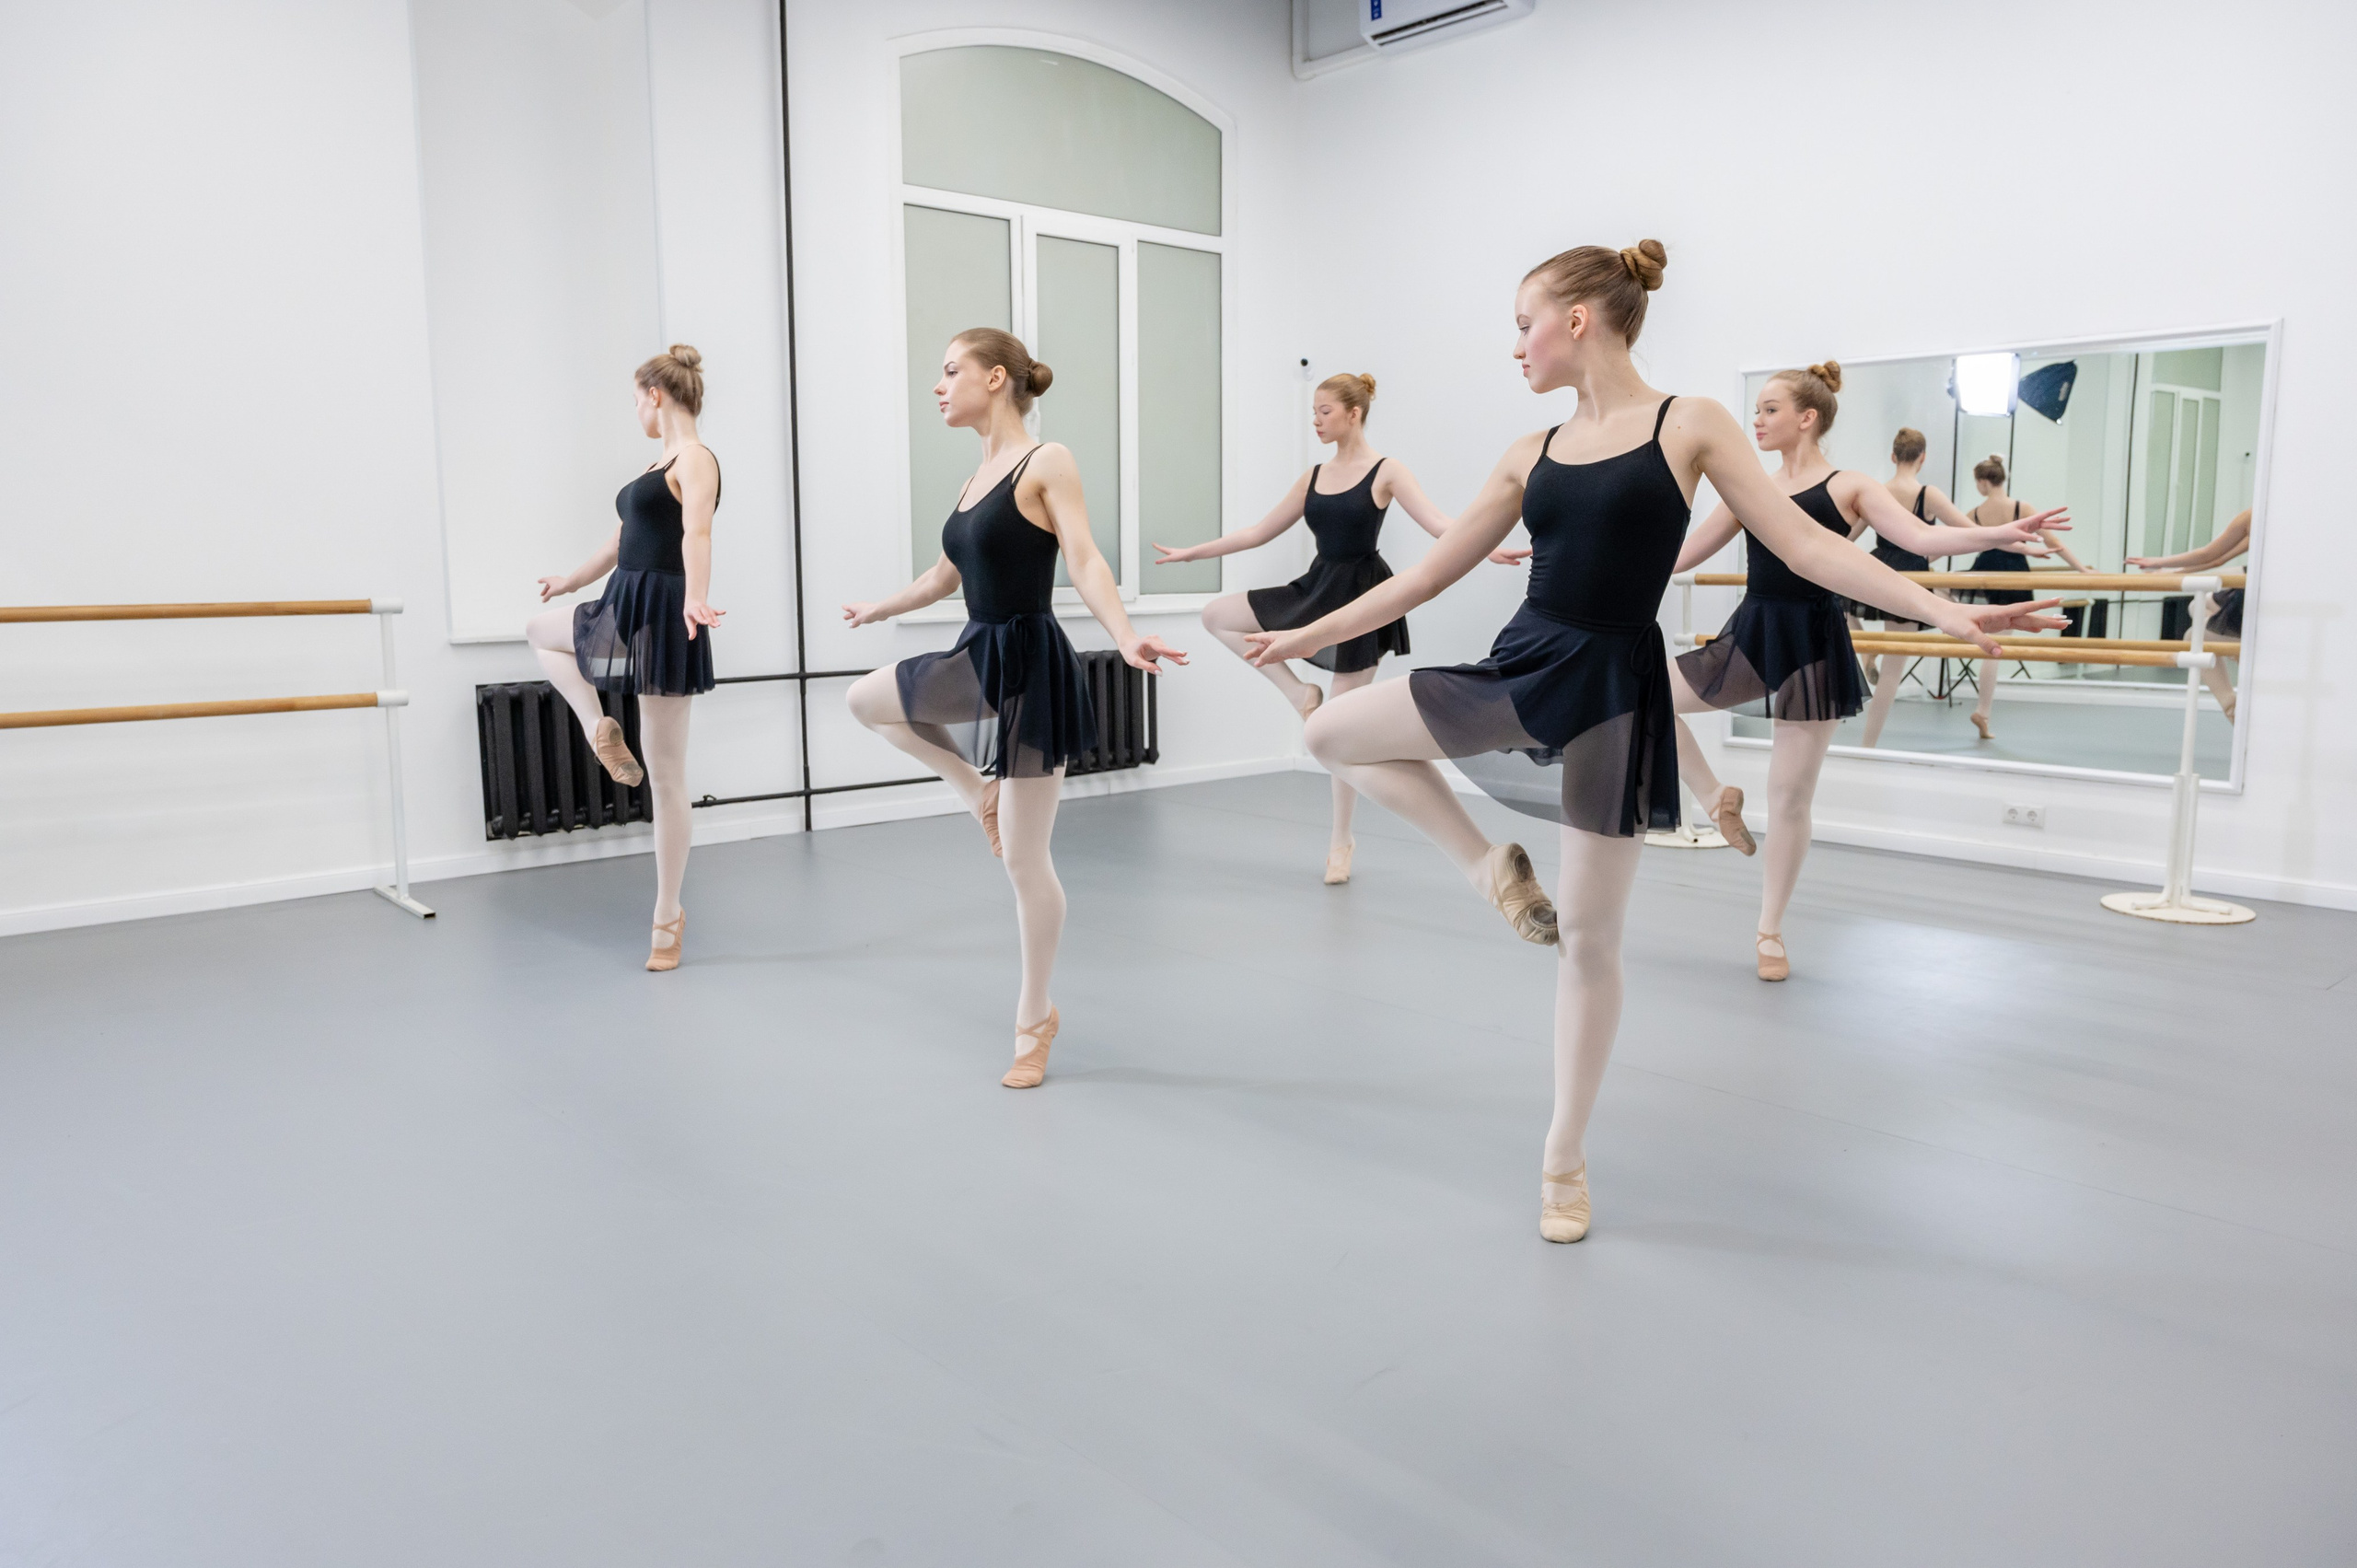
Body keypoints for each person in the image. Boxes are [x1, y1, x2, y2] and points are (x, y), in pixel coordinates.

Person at [1246, 242, 2060, 1244]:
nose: (1515, 346)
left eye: (1522, 322)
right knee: (1332, 729)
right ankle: (1484, 865)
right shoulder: (1528, 451)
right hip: (1526, 662)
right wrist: (1304, 635)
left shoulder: (1692, 424)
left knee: (1589, 941)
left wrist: (1950, 615)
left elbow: (1807, 547)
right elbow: (1420, 581)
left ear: (1578, 318)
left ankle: (1563, 1153)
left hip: (1617, 690)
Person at [843, 330, 1186, 1088]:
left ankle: (1035, 1017)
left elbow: (1086, 556)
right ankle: (980, 793)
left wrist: (1124, 635)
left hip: (1030, 662)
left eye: (950, 371)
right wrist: (879, 606)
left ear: (996, 378)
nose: (938, 386)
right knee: (868, 699)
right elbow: (941, 575)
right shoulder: (975, 476)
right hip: (978, 651)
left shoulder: (1046, 460)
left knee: (1028, 862)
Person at [1666, 366, 2065, 981]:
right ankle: (1714, 795)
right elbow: (1684, 555)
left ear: (1808, 417)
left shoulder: (1848, 484)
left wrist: (2002, 532)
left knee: (1789, 797)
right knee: (1642, 691)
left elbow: (1918, 540)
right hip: (1755, 632)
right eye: (1757, 410)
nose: (1757, 420)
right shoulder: (1750, 486)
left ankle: (1769, 929)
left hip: (1814, 641)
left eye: (1770, 409)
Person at [1155, 372, 1519, 883]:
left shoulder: (1387, 471)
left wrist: (1487, 547)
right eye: (1313, 411)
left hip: (1363, 598)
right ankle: (1300, 690)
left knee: (1342, 731)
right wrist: (1193, 552)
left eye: (1324, 411)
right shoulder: (1311, 477)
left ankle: (1340, 841)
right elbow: (1259, 532)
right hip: (1315, 586)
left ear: (1354, 413)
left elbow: (1439, 524)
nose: (1316, 420)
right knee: (1217, 616)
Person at [526, 346, 722, 971]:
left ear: (655, 395)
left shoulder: (696, 459)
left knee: (666, 776)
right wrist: (568, 579)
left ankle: (668, 916)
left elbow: (698, 532)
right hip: (623, 599)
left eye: (637, 398)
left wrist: (696, 599)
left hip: (665, 610)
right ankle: (598, 728)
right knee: (539, 628)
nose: (636, 409)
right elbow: (617, 543)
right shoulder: (655, 462)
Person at [1849, 426, 2006, 748]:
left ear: (1893, 456)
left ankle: (1867, 652)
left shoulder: (1876, 490)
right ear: (1923, 458)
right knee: (1893, 670)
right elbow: (1970, 533)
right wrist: (2014, 538)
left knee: (1841, 603)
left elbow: (1847, 537)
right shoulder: (1928, 495)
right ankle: (1867, 744)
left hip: (1878, 569)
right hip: (1911, 576)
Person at [1956, 454, 2085, 740]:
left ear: (1982, 482)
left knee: (1988, 640)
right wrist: (2083, 570)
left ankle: (1984, 712)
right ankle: (1983, 711)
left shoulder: (1975, 513)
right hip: (2014, 575)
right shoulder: (2021, 507)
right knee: (1997, 644)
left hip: (1984, 575)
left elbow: (1953, 542)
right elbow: (2055, 543)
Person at [2130, 507, 2251, 722]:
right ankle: (2238, 657)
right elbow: (2216, 561)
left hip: (2255, 596)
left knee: (2192, 637)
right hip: (2254, 588)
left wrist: (2161, 563)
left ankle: (2231, 707)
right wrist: (2172, 573)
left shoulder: (2253, 515)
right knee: (2197, 607)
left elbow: (2210, 555)